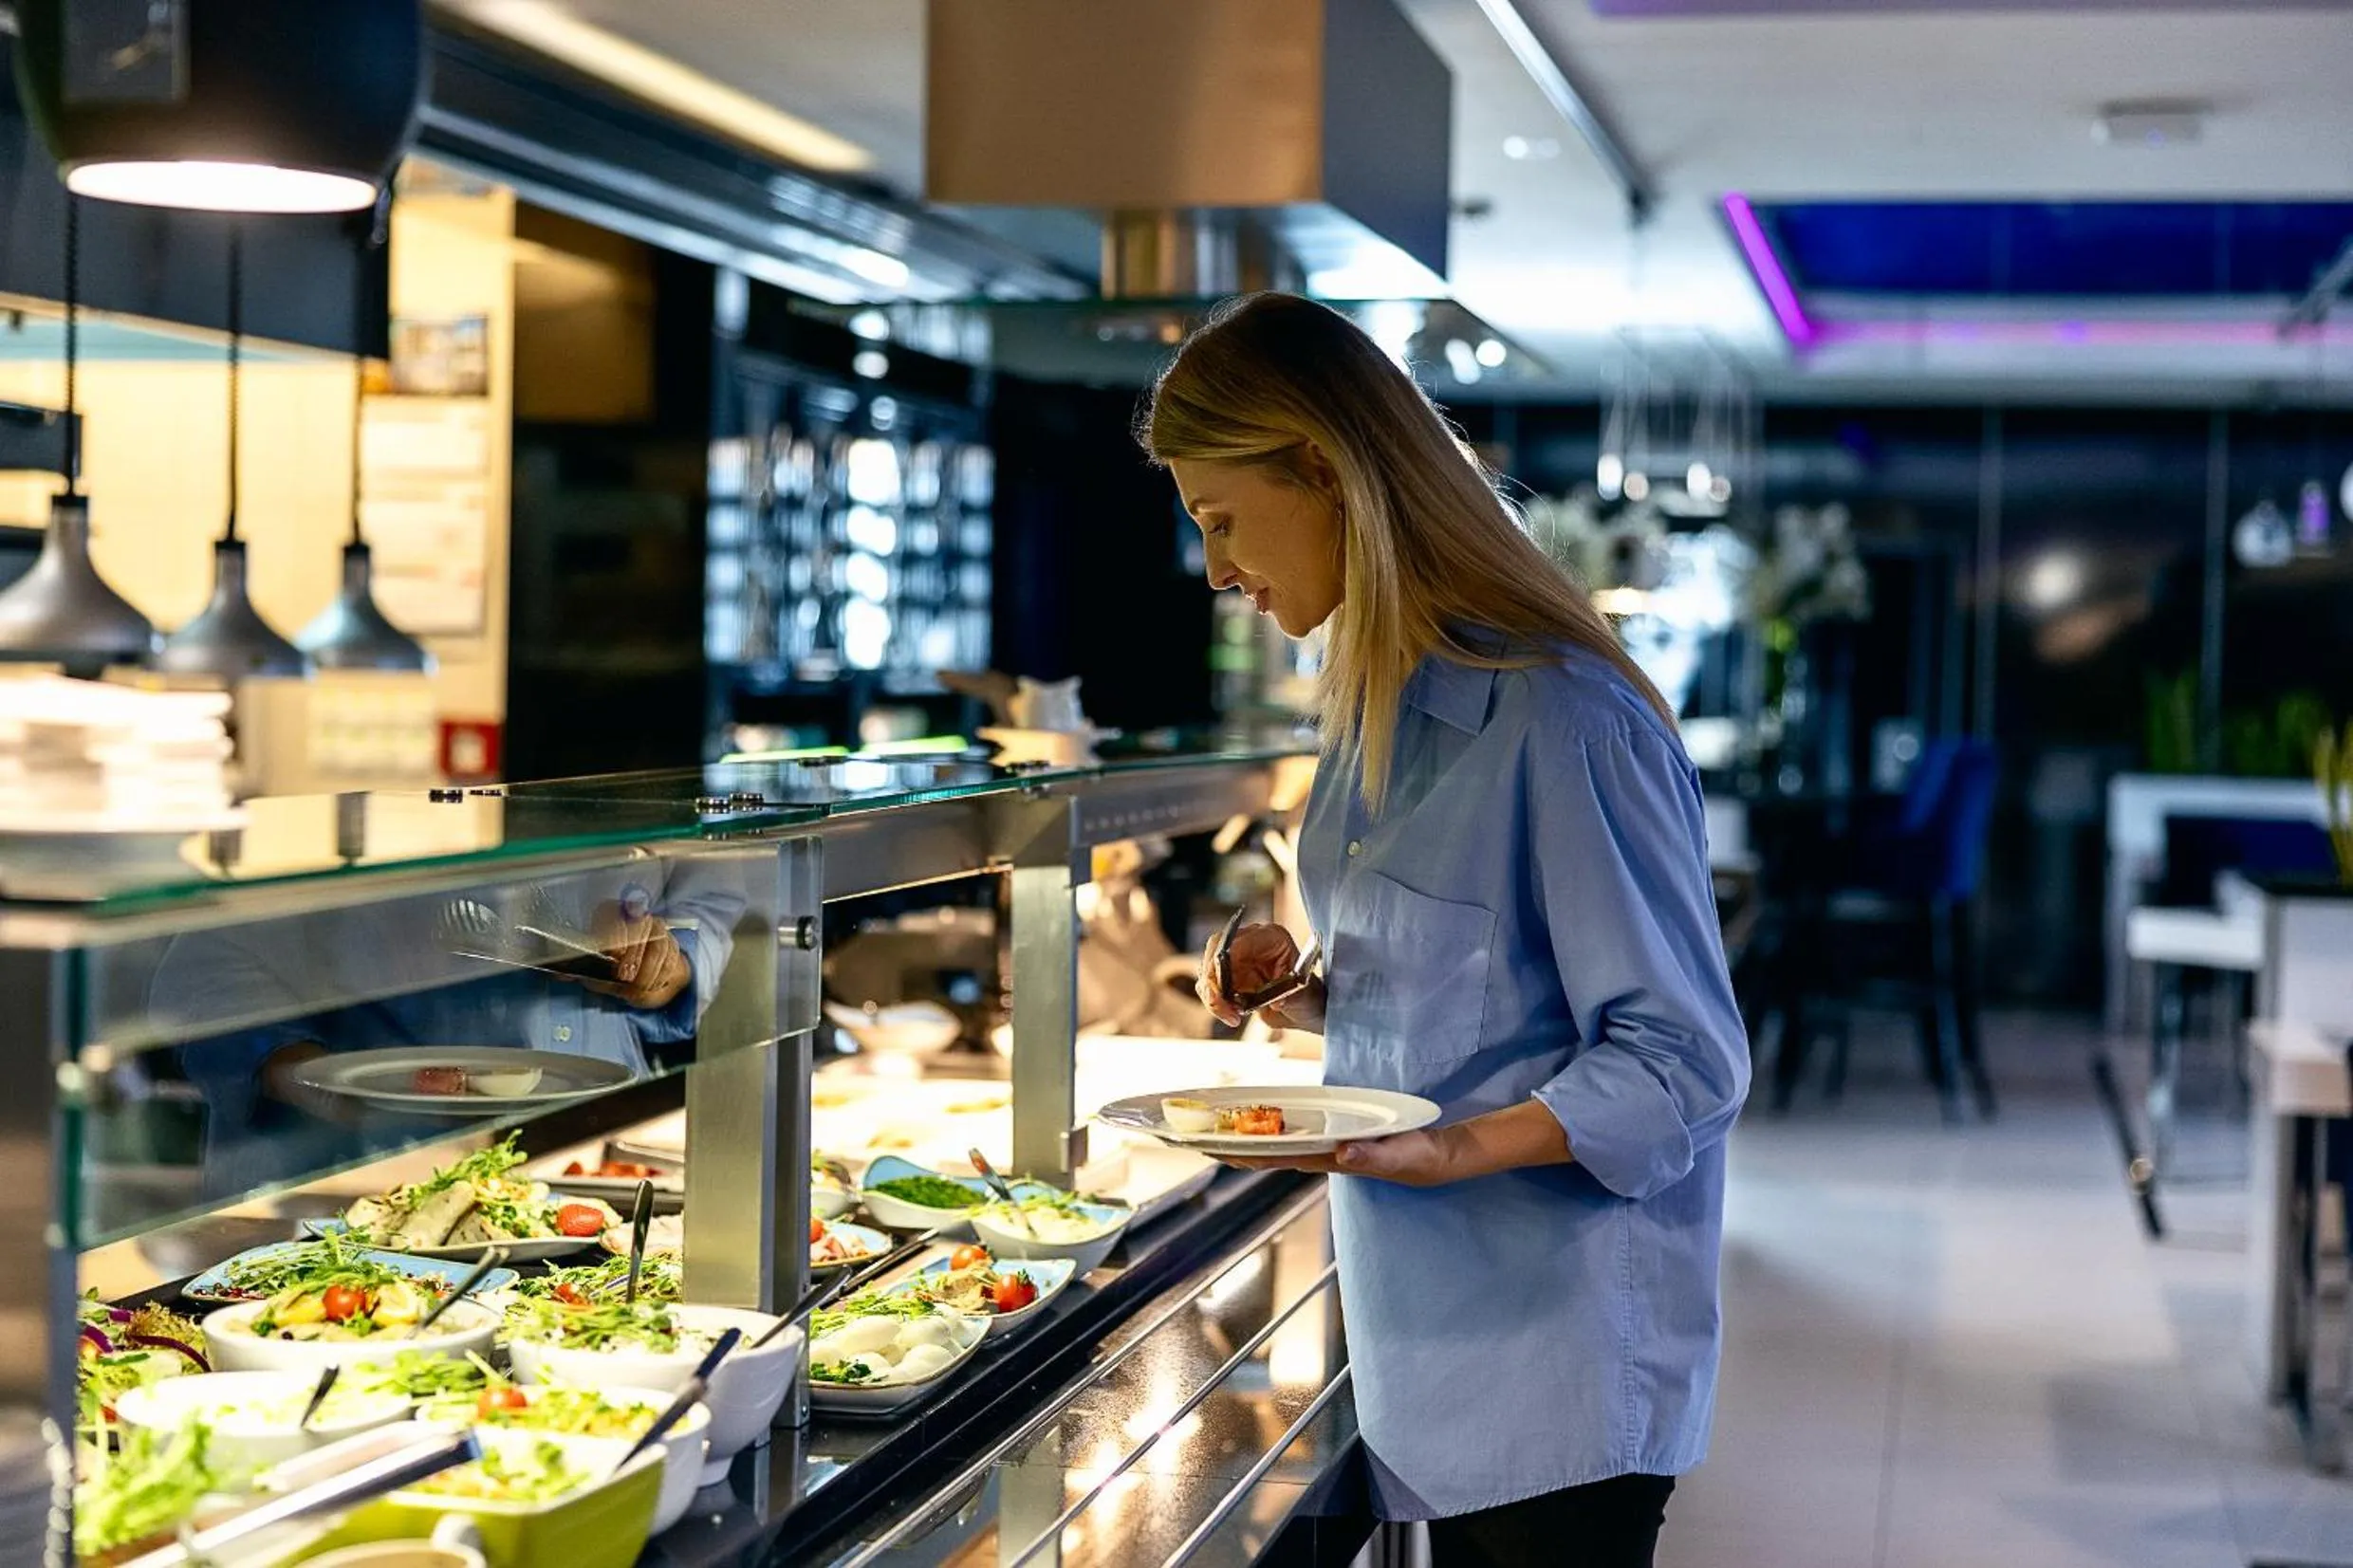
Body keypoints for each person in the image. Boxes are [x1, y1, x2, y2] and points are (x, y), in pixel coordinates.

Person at [1154, 293, 1749, 1568]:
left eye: (1219, 518)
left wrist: (1452, 1150)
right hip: (1427, 1346)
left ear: (1322, 468)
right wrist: (1311, 993)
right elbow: (1468, 989)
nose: (1215, 568)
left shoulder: (1568, 720)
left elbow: (1683, 1063)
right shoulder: (1374, 704)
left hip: (1559, 1372)